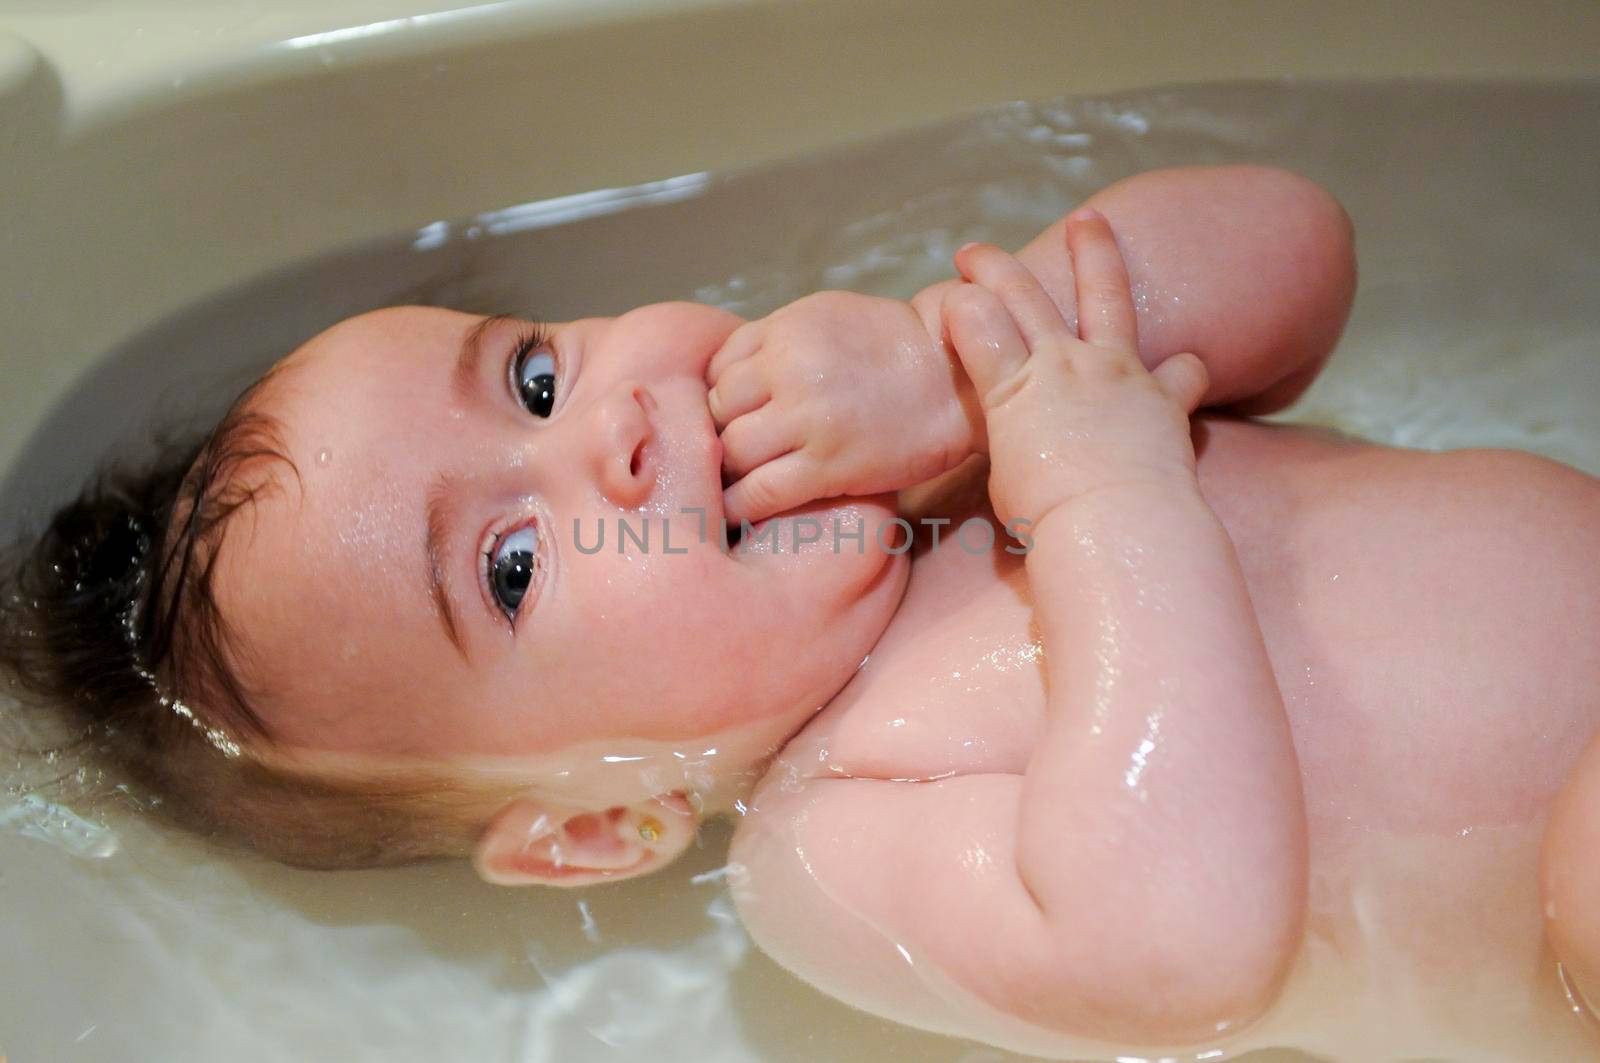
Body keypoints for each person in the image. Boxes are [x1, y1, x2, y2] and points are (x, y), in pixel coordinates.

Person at [4, 166, 1598, 1057]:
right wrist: (1106, 497)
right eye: (510, 566)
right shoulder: (831, 838)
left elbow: (1296, 246)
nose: (607, 435)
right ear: (600, 827)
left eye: (536, 377)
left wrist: (942, 365)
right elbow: (1181, 956)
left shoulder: (950, 435)